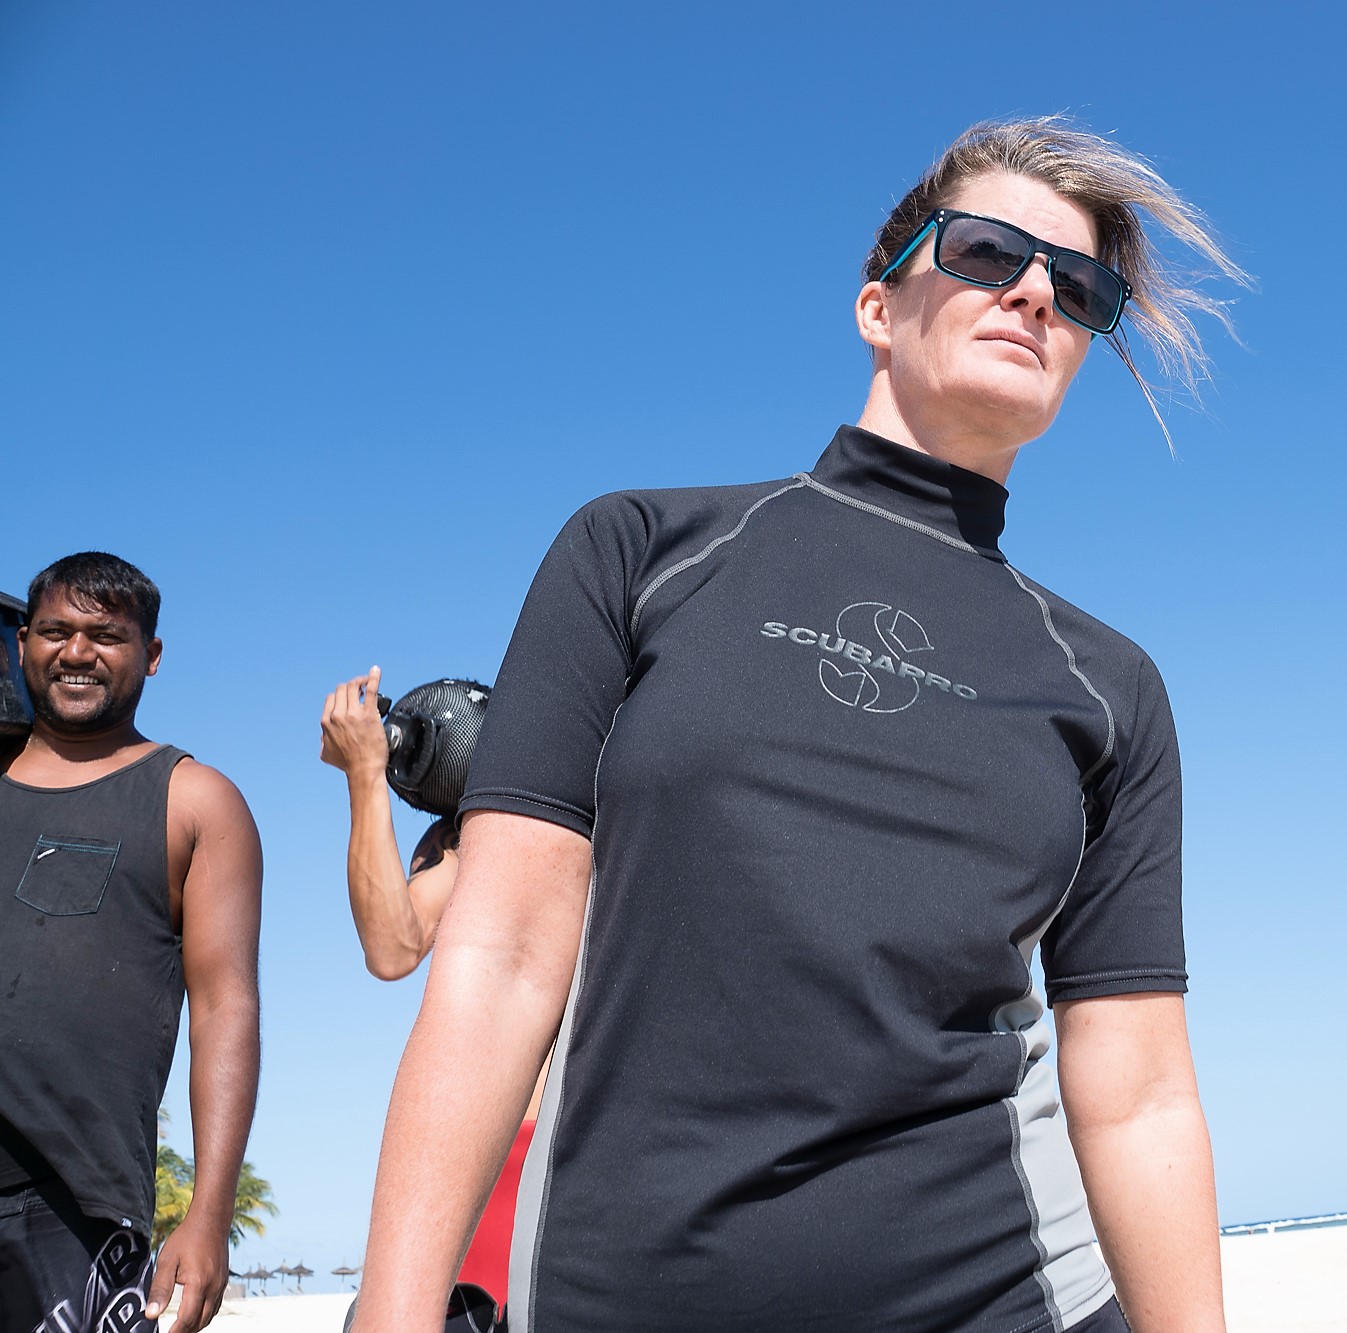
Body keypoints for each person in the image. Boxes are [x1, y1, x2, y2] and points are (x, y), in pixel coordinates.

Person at [350, 117, 1248, 1333]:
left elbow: (1136, 1089)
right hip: (635, 1294)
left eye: (1079, 287)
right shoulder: (639, 555)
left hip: (1007, 1296)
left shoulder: (1106, 685)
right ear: (878, 306)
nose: (1036, 292)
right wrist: (389, 1313)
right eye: (987, 251)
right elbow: (500, 957)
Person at [0, 552, 262, 1333]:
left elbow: (226, 1008)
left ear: (149, 655)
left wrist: (210, 1214)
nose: (76, 652)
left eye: (105, 635)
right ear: (21, 646)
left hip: (76, 1206)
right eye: (54, 631)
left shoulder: (193, 799)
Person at [319, 667, 534, 1312]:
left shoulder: (595, 818)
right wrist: (363, 777)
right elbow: (392, 947)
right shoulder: (463, 842)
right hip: (497, 1139)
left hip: (581, 1140)